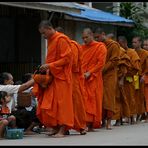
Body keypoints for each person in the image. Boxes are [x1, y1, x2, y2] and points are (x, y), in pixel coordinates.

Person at [32, 20, 74, 138]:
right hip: (52, 77)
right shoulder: (51, 40)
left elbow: (67, 59)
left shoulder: (61, 39)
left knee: (62, 105)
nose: (43, 36)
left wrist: (50, 65)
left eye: (44, 33)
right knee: (50, 104)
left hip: (62, 77)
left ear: (50, 28)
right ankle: (55, 127)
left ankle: (63, 128)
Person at [55, 26, 87, 135]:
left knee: (76, 102)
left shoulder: (72, 45)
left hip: (72, 78)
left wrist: (55, 66)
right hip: (60, 77)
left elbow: (72, 64)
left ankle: (81, 126)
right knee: (62, 104)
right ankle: (63, 127)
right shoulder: (56, 45)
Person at [94, 27, 120, 129]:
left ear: (103, 34)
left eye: (98, 37)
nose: (97, 39)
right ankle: (102, 120)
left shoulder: (113, 45)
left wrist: (102, 69)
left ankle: (109, 121)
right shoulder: (97, 46)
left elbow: (114, 61)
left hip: (109, 75)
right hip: (99, 75)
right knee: (100, 98)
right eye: (95, 38)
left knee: (109, 98)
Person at [81, 28, 107, 131]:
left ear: (92, 35)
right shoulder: (81, 47)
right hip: (83, 78)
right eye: (83, 38)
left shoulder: (100, 47)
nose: (84, 40)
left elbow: (101, 63)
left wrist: (89, 72)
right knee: (84, 100)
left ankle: (91, 123)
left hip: (94, 78)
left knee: (93, 100)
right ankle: (85, 122)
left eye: (86, 37)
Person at [117, 36, 141, 124]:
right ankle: (120, 117)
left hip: (129, 79)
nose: (119, 47)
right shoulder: (119, 52)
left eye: (120, 45)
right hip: (119, 78)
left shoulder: (132, 53)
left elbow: (136, 67)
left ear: (125, 43)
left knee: (130, 98)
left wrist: (126, 72)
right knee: (120, 99)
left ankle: (132, 116)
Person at [132, 36, 148, 122]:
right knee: (134, 96)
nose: (133, 44)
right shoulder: (132, 52)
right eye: (133, 42)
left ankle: (142, 114)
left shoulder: (145, 53)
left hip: (142, 77)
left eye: (135, 42)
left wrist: (144, 75)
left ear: (139, 43)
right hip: (133, 77)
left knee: (142, 97)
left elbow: (147, 66)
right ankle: (137, 114)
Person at [142, 38, 148, 122]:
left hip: (146, 77)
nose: (145, 46)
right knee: (144, 97)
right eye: (144, 45)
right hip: (144, 78)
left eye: (147, 45)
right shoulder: (144, 54)